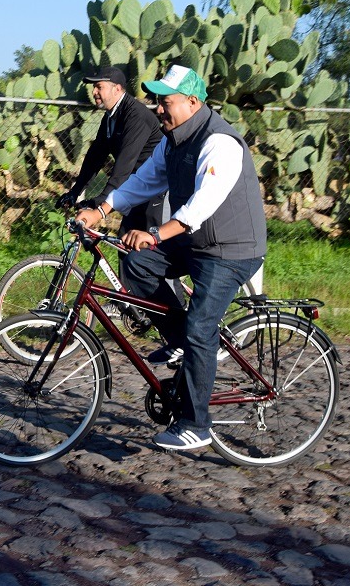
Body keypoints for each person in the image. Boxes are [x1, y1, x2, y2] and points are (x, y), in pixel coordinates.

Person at [75, 65, 266, 452]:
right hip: (196, 242)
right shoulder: (172, 139)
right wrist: (102, 209)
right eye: (157, 101)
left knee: (200, 326)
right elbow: (144, 181)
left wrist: (157, 233)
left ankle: (196, 425)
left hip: (231, 249)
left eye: (167, 102)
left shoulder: (220, 142)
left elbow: (203, 202)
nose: (159, 109)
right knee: (137, 262)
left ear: (193, 102)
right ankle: (183, 341)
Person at [57, 65, 165, 237]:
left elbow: (124, 166)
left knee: (147, 250)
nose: (94, 92)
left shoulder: (135, 115)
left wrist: (100, 204)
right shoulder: (111, 116)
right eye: (94, 87)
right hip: (137, 187)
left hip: (155, 191)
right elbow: (95, 157)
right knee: (126, 243)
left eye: (99, 87)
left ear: (117, 89)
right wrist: (74, 192)